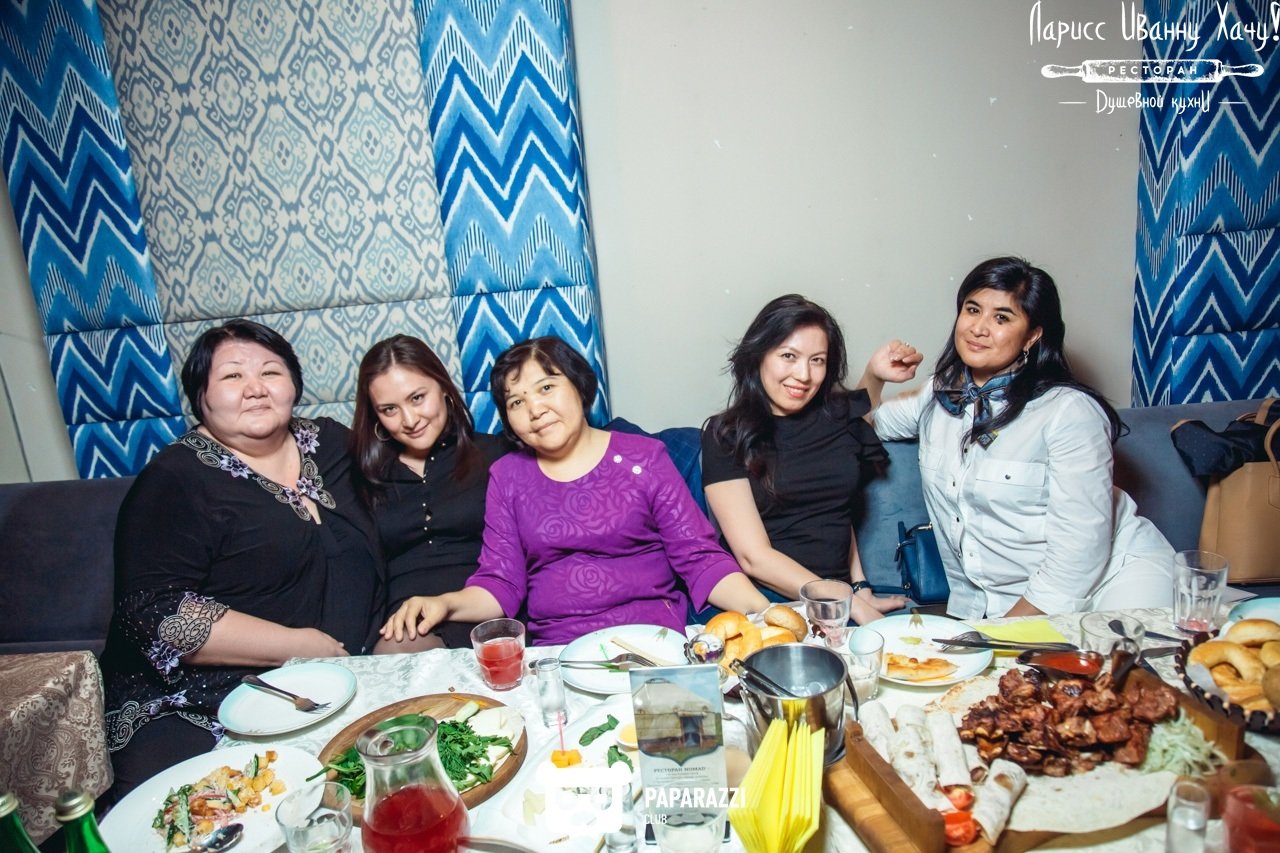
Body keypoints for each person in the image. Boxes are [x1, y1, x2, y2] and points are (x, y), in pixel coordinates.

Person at [101, 319, 383, 799]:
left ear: (293, 384)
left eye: (270, 372)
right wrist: (297, 644)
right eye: (232, 376)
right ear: (201, 396)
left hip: (343, 676)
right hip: (208, 697)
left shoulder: (330, 442)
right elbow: (154, 610)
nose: (255, 388)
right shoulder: (174, 479)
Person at [382, 336, 769, 646]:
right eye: (517, 402)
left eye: (546, 387)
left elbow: (700, 560)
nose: (535, 409)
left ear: (579, 387)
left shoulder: (644, 458)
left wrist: (764, 613)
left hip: (653, 640)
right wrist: (444, 604)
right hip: (559, 652)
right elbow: (500, 584)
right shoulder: (507, 476)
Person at [869, 257, 1174, 619]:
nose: (979, 328)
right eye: (972, 310)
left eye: (1002, 318)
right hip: (991, 605)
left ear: (1032, 335)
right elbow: (864, 427)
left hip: (1115, 583)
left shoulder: (1069, 412)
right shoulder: (938, 394)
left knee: (1120, 657)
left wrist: (1006, 636)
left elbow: (1079, 552)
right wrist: (875, 375)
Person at [701, 295, 918, 624]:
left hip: (839, 596)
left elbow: (836, 509)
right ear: (759, 355)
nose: (803, 374)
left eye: (817, 360)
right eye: (788, 356)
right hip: (770, 599)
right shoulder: (726, 434)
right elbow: (753, 557)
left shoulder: (835, 417)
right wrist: (850, 604)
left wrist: (859, 589)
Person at [351, 335, 510, 651]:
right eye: (389, 409)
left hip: (484, 608)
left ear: (444, 388)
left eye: (417, 398)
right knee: (400, 651)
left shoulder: (496, 454)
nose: (409, 420)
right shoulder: (361, 472)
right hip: (406, 622)